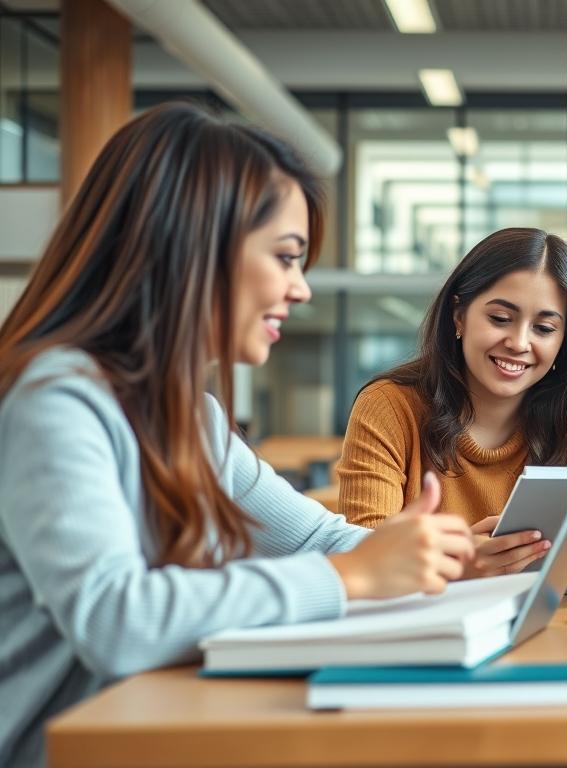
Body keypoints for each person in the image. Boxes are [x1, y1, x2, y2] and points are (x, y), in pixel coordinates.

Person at [0, 103, 476, 766]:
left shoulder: (187, 416)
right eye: (286, 257)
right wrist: (349, 577)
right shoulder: (60, 398)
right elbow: (116, 619)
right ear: (192, 246)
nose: (301, 289)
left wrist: (449, 555)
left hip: (159, 729)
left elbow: (315, 538)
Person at [337, 228, 567, 592]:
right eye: (500, 318)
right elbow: (366, 557)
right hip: (429, 635)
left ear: (564, 341)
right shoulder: (389, 408)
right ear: (458, 316)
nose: (519, 343)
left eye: (543, 328)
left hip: (547, 634)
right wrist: (456, 567)